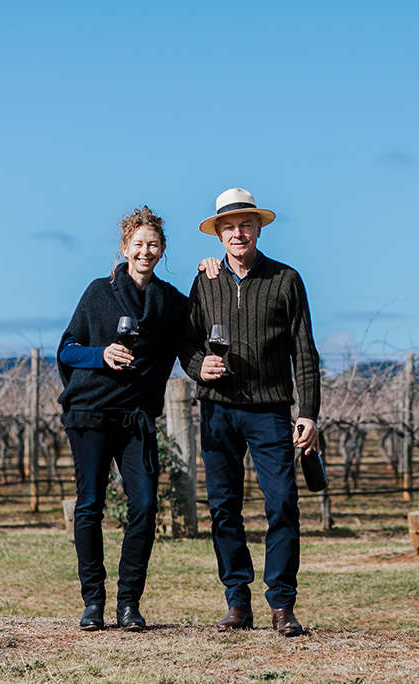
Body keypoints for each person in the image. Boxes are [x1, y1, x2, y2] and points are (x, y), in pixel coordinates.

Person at [57, 206, 218, 632]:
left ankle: (129, 604)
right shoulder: (99, 292)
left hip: (136, 419)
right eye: (138, 244)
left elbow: (199, 323)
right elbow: (66, 349)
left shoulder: (168, 302)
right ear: (125, 247)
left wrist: (208, 272)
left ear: (162, 250)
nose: (145, 251)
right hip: (90, 412)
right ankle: (93, 602)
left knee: (144, 506)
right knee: (89, 506)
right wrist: (102, 353)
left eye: (153, 244)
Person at [180, 187, 321, 637]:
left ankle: (282, 604)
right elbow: (186, 342)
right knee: (224, 507)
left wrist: (310, 412)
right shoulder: (206, 280)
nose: (237, 233)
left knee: (282, 503)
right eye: (228, 227)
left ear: (258, 228)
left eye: (245, 224)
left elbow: (305, 351)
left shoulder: (286, 280)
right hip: (218, 411)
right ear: (218, 235)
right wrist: (198, 366)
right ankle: (237, 602)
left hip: (271, 412)